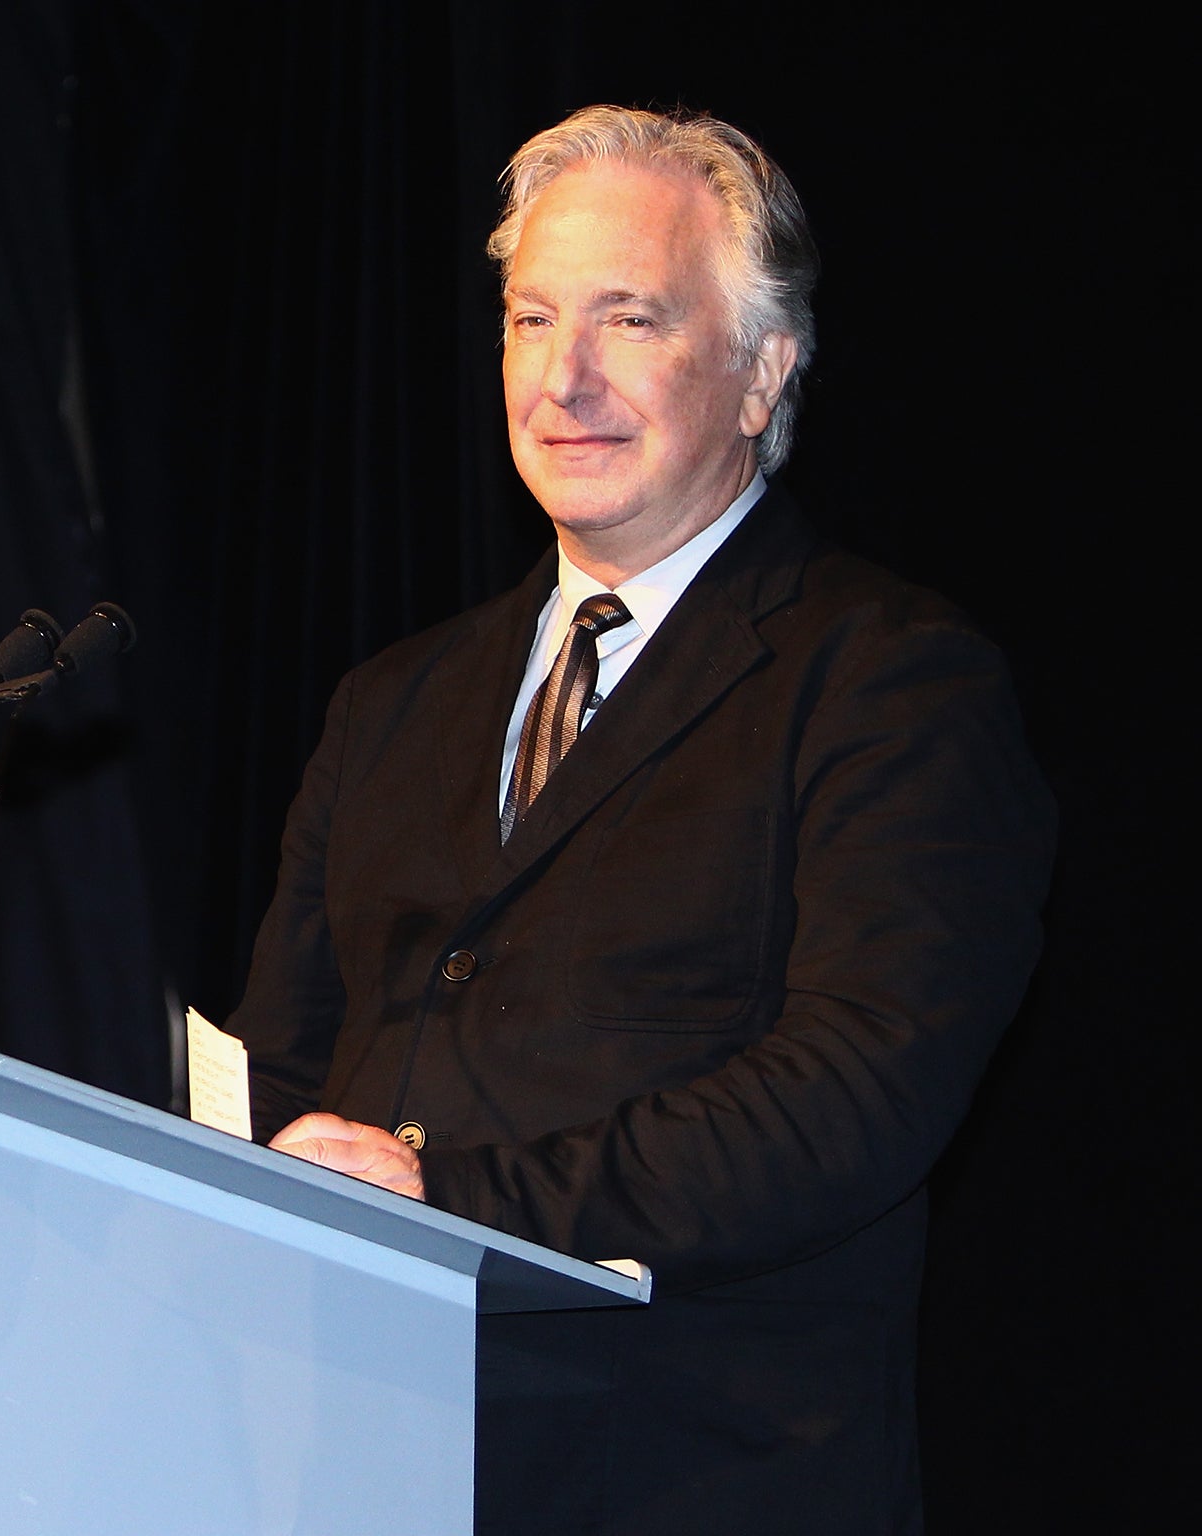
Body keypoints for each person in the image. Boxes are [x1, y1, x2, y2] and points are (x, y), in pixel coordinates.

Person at [225, 105, 1054, 1534]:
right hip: (362, 1465)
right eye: (532, 317)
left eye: (630, 319)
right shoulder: (393, 701)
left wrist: (453, 1197)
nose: (564, 377)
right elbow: (289, 1065)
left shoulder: (889, 680)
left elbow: (857, 1092)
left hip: (696, 1475)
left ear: (760, 374)